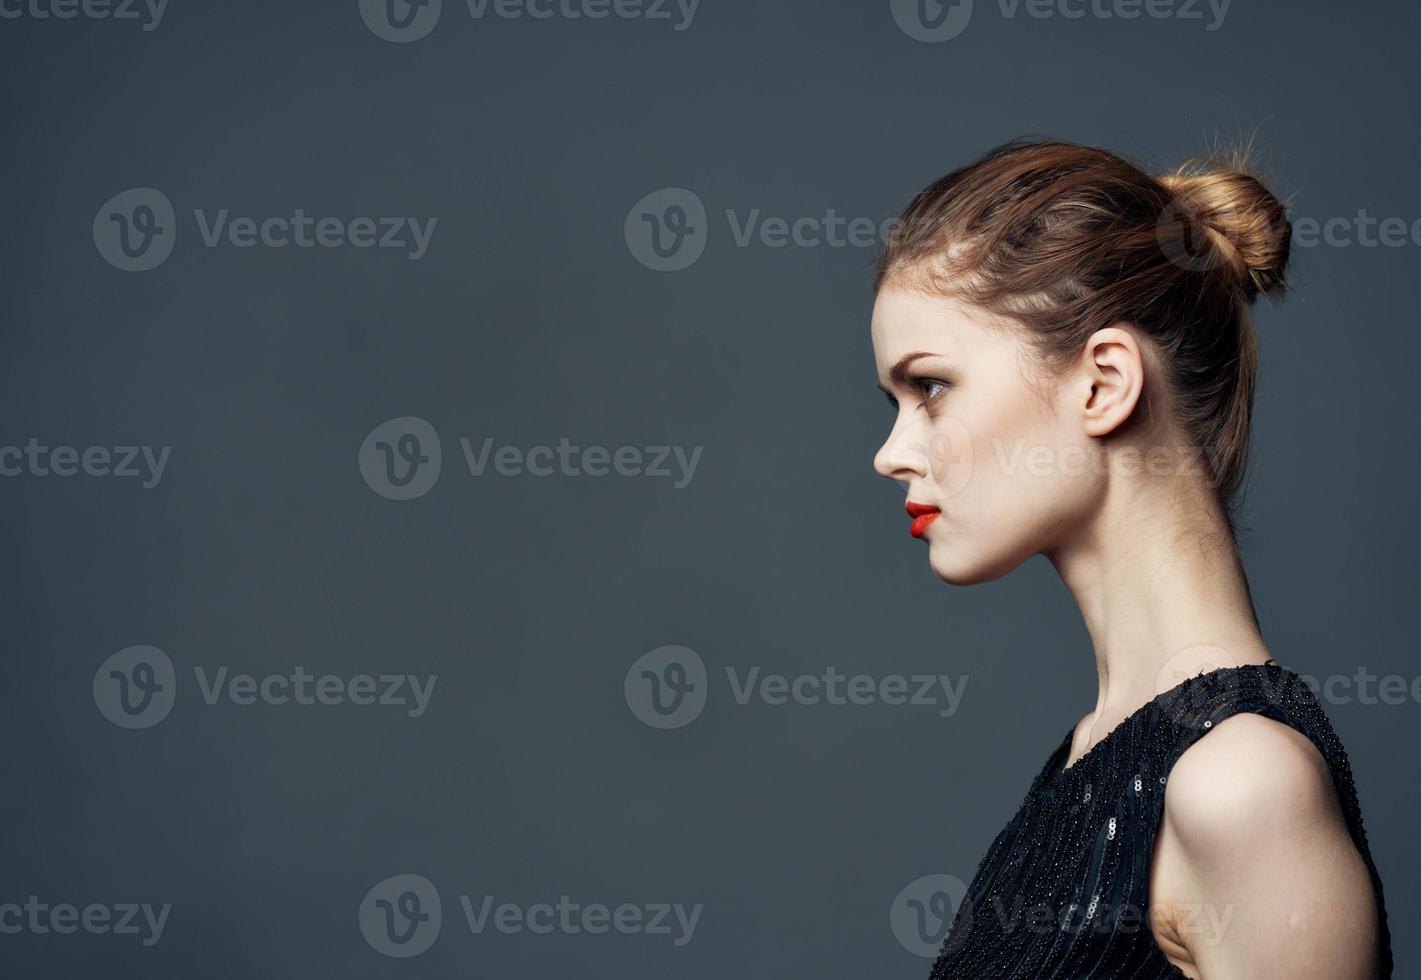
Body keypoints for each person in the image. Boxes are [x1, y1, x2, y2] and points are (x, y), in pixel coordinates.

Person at [870, 138, 1392, 979]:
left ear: (1103, 382)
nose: (891, 453)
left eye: (930, 387)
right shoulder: (1090, 758)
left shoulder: (1238, 785)